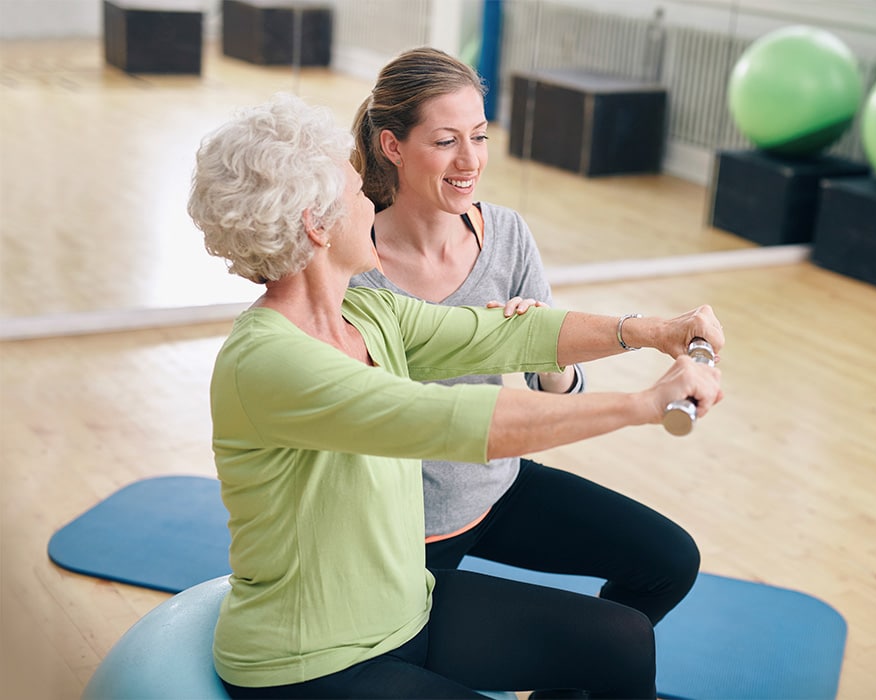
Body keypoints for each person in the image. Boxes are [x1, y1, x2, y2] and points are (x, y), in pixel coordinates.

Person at [187, 91, 723, 699]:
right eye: (359, 193)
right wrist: (644, 405)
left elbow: (508, 331)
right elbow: (446, 419)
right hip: (317, 657)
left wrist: (659, 331)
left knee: (621, 638)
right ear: (317, 223)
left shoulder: (367, 312)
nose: (372, 201)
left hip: (409, 606)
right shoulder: (269, 362)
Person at [351, 46, 702, 630]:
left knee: (669, 562)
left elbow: (554, 393)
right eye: (445, 141)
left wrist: (542, 342)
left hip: (497, 487)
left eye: (480, 136)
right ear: (393, 146)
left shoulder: (507, 234)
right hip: (403, 525)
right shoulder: (353, 264)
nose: (470, 160)